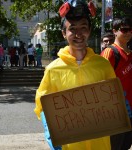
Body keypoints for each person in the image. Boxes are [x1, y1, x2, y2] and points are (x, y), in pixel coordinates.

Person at [34, 0, 116, 150]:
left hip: (101, 144)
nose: (78, 34)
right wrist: (48, 125)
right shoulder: (53, 70)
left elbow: (113, 98)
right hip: (70, 146)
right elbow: (42, 103)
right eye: (72, 29)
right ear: (64, 33)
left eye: (83, 27)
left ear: (89, 30)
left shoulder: (103, 65)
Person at [101, 17, 132, 150]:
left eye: (130, 30)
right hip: (116, 114)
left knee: (125, 146)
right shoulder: (110, 52)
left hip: (130, 112)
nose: (128, 32)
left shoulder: (131, 54)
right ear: (115, 31)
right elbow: (101, 82)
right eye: (124, 29)